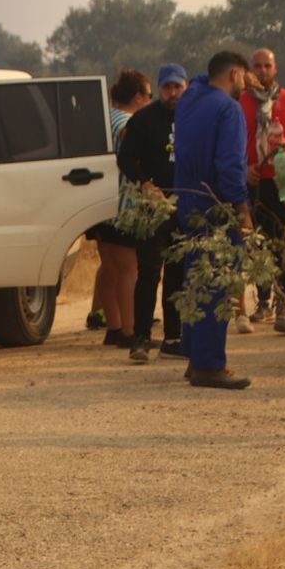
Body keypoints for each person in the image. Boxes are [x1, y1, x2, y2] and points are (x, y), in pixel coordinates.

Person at [174, 51, 254, 390]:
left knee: (196, 277)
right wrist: (242, 208)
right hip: (216, 203)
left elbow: (196, 81)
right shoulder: (228, 109)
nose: (245, 87)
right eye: (245, 79)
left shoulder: (190, 98)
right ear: (235, 74)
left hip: (187, 198)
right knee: (217, 282)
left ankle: (194, 355)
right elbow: (230, 164)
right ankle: (210, 364)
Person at [119, 64, 188, 363]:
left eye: (177, 87)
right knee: (148, 273)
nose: (172, 93)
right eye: (167, 87)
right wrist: (145, 184)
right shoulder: (144, 119)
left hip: (184, 205)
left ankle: (174, 337)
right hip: (151, 208)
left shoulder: (193, 117)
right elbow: (125, 159)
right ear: (159, 89)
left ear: (185, 87)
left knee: (177, 272)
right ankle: (142, 337)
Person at [238, 48, 285, 330]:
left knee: (281, 245)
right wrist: (245, 167)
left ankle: (282, 301)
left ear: (276, 69)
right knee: (258, 245)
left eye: (267, 66)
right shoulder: (241, 101)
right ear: (250, 70)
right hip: (253, 180)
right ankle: (263, 299)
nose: (263, 71)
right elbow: (236, 140)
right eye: (258, 66)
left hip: (282, 181)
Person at [90, 70, 153, 347]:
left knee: (109, 267)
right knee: (130, 269)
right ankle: (129, 330)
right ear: (139, 97)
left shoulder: (104, 119)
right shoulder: (130, 123)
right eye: (149, 96)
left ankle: (113, 326)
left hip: (99, 202)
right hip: (125, 204)